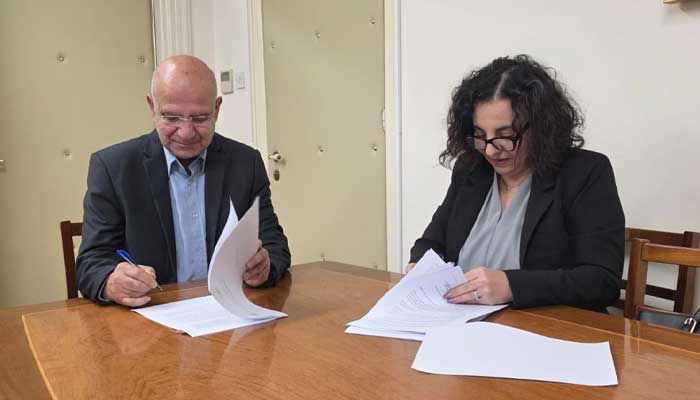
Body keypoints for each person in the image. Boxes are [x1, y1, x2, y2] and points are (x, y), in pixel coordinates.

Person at [407, 55, 624, 312]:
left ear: (541, 127)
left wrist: (512, 285)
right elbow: (431, 243)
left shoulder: (584, 172)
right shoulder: (471, 169)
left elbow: (602, 281)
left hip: (545, 327)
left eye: (506, 135)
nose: (490, 150)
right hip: (464, 323)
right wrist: (419, 267)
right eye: (480, 135)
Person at [76, 55, 290, 307]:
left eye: (199, 118)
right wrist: (111, 281)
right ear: (152, 107)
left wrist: (265, 266)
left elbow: (275, 244)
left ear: (217, 109)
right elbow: (91, 262)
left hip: (230, 312)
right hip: (152, 314)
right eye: (171, 117)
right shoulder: (113, 168)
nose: (186, 133)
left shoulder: (246, 163)